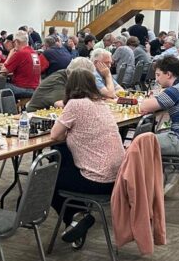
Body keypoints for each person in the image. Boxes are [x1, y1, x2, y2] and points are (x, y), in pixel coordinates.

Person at [47, 68, 124, 247]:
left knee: (48, 180)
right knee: (62, 158)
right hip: (117, 178)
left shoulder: (76, 104)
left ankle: (75, 217)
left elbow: (55, 135)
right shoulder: (101, 103)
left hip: (97, 181)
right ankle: (78, 216)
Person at [0, 31, 46, 99]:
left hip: (24, 89)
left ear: (16, 42)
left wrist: (10, 54)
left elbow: (3, 71)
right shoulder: (34, 53)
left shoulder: (20, 53)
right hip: (36, 88)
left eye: (13, 42)